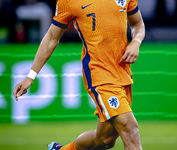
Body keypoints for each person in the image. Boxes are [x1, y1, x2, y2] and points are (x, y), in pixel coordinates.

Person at [13, 0, 145, 149]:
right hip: (99, 73)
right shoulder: (69, 1)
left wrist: (136, 42)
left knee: (104, 140)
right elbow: (51, 38)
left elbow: (137, 24)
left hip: (123, 72)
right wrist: (31, 76)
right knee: (130, 127)